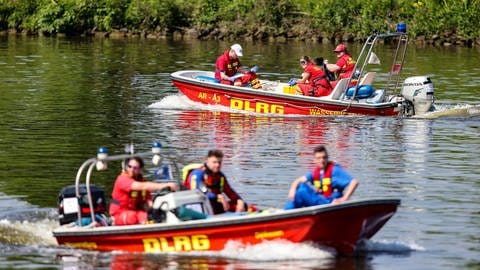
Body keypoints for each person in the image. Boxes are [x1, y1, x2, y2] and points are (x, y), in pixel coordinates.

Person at [284, 146, 359, 210]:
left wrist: (344, 199)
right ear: (314, 160)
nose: (322, 160)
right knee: (300, 187)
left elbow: (354, 182)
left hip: (329, 203)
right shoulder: (316, 172)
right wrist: (292, 190)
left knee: (302, 190)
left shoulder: (335, 170)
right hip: (320, 201)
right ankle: (288, 214)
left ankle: (286, 214)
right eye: (319, 158)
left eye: (324, 157)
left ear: (327, 158)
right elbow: (299, 180)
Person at [109, 156, 178, 225]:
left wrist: (153, 209)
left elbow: (148, 201)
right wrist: (165, 185)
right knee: (136, 217)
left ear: (140, 170)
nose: (132, 169)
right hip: (119, 214)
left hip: (135, 212)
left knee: (157, 215)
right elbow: (142, 186)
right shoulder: (122, 179)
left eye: (135, 168)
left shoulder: (142, 182)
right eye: (130, 166)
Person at [185, 149, 246, 214]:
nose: (217, 165)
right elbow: (196, 194)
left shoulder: (220, 176)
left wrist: (239, 200)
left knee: (243, 205)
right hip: (198, 207)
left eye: (219, 162)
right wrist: (218, 197)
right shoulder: (197, 174)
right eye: (214, 162)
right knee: (214, 203)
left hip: (215, 204)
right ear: (207, 161)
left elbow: (230, 192)